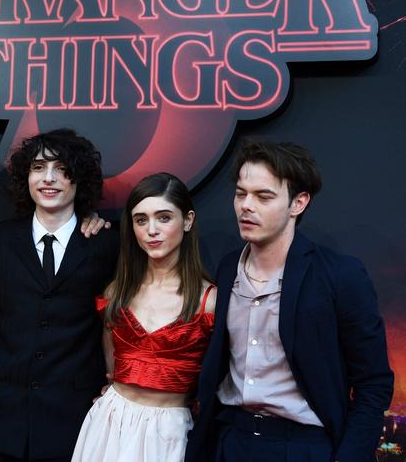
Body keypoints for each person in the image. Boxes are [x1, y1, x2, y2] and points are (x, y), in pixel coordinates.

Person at [186, 140, 394, 462]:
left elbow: (373, 382)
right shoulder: (228, 269)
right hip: (230, 440)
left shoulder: (339, 275)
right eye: (241, 193)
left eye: (263, 196)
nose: (246, 206)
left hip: (303, 446)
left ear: (298, 203)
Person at [0, 129, 120, 462]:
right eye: (38, 167)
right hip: (1, 422)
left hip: (73, 423)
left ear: (78, 177)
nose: (48, 178)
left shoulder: (108, 243)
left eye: (61, 168)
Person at [72, 172, 216, 462]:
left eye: (164, 217)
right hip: (110, 424)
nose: (152, 230)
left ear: (187, 221)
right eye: (141, 220)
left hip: (170, 433)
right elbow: (111, 368)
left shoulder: (209, 300)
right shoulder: (117, 293)